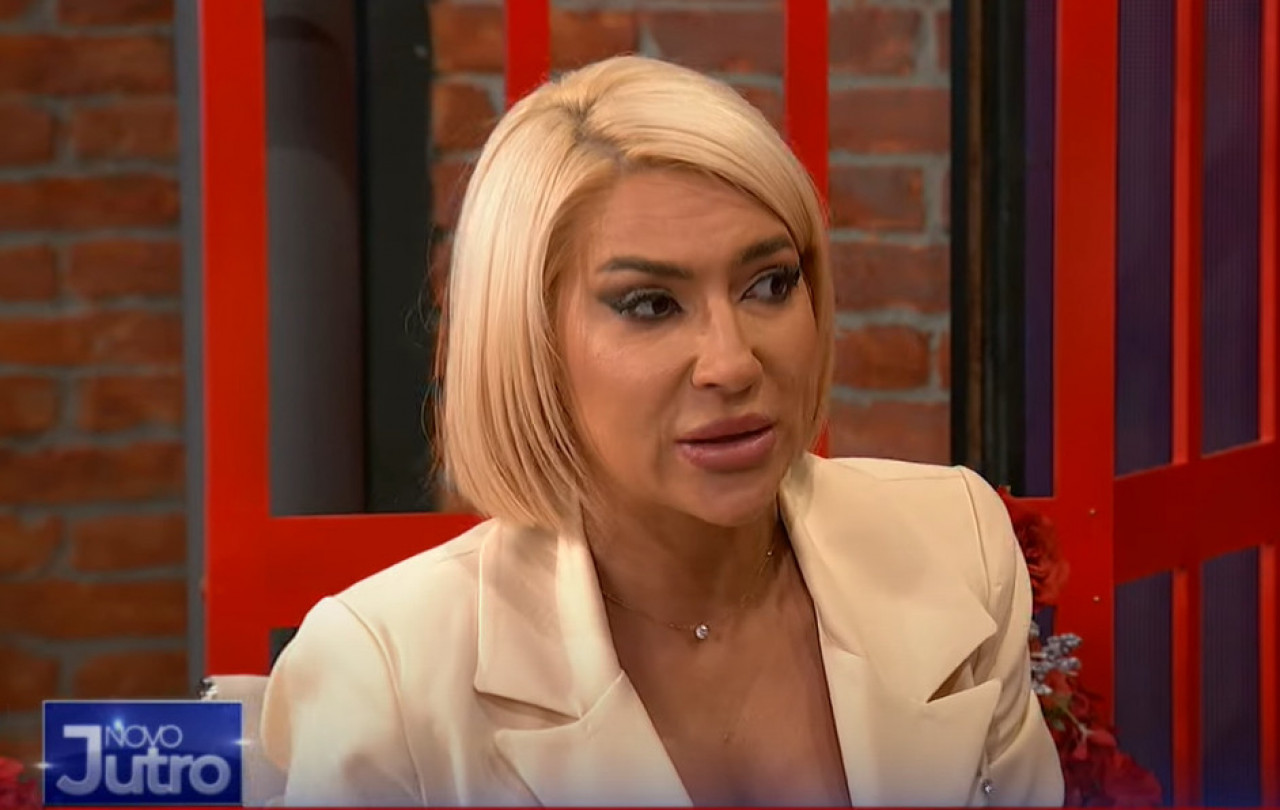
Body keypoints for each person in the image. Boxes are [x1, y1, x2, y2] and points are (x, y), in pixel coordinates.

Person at [259, 55, 1064, 807]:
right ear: (528, 341)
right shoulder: (388, 675)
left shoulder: (955, 540)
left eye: (769, 284)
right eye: (650, 304)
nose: (732, 363)